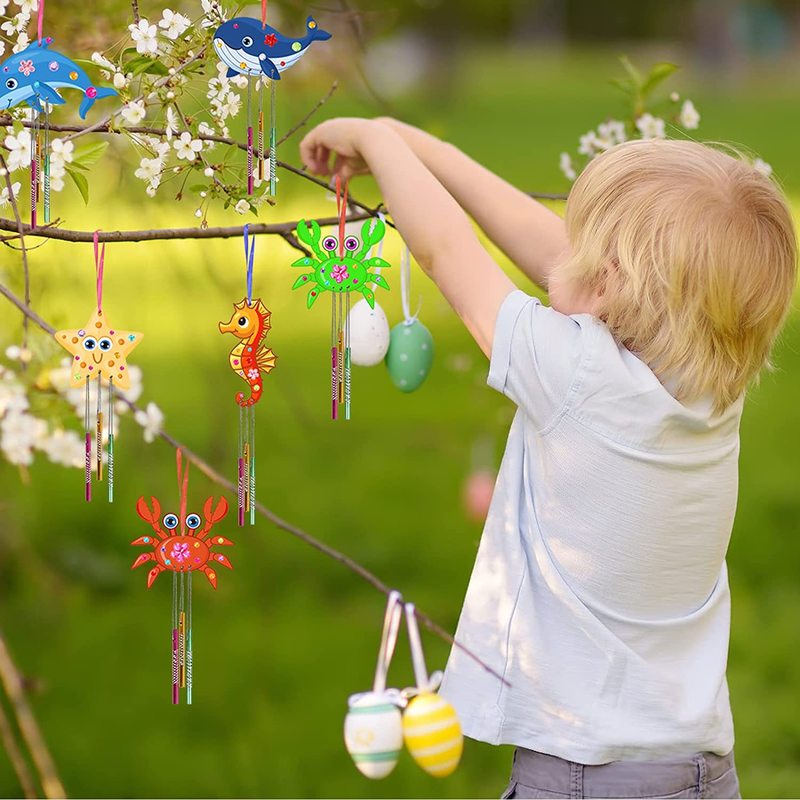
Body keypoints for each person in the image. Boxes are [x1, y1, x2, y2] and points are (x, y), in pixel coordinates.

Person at [299, 118, 797, 799]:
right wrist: (424, 150)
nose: (566, 252)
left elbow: (446, 252)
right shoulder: (711, 386)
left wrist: (380, 139)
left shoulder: (579, 379)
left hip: (584, 776)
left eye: (588, 249)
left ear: (613, 288)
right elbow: (556, 259)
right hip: (701, 772)